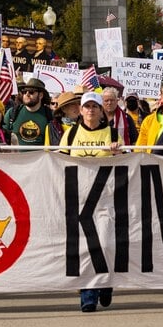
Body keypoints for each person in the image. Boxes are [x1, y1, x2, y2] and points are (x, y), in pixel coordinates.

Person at [60, 92, 122, 312]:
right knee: (85, 249)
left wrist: (117, 152)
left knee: (105, 245)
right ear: (81, 110)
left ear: (100, 110)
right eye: (86, 107)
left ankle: (105, 283)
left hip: (104, 199)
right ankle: (88, 295)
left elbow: (123, 163)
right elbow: (59, 164)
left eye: (94, 107)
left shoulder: (112, 133)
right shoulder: (70, 134)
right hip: (78, 200)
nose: (90, 110)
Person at [4, 78, 52, 147]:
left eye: (31, 92)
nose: (27, 94)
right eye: (24, 91)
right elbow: (1, 136)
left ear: (41, 95)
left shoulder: (49, 115)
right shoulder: (12, 113)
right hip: (16, 157)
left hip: (40, 157)